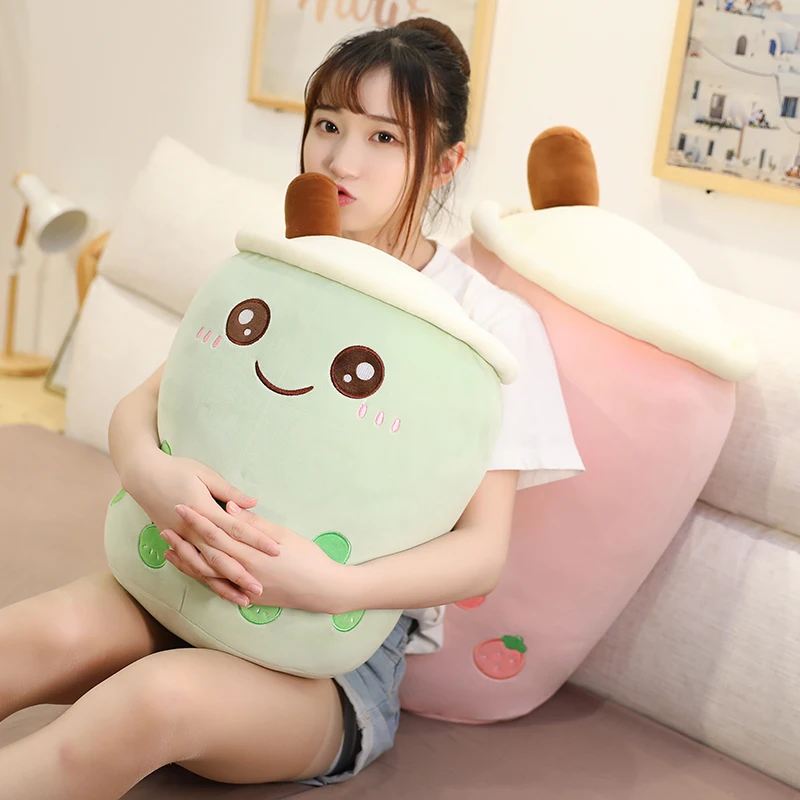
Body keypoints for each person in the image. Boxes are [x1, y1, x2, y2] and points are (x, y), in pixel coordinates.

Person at [0, 18, 582, 798]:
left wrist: (326, 586)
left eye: (384, 138)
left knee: (150, 702)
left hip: (327, 660)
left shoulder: (488, 326)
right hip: (177, 583)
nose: (341, 160)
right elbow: (143, 406)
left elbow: (482, 551)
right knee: (29, 637)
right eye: (328, 125)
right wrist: (150, 474)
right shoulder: (281, 267)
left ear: (446, 164)